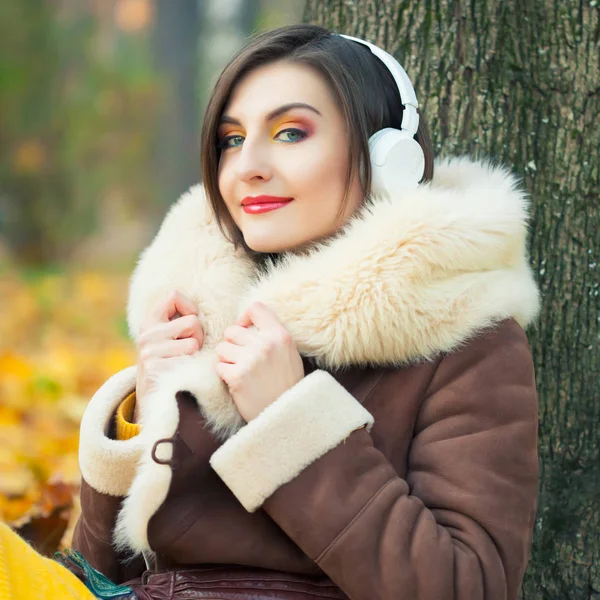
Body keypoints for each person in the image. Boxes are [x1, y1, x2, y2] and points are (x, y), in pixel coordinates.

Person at [0, 23, 540, 600]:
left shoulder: (465, 334)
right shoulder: (201, 314)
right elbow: (101, 576)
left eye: (290, 132)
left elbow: (464, 587)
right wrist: (144, 414)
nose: (247, 165)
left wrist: (292, 421)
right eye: (231, 140)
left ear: (390, 157)